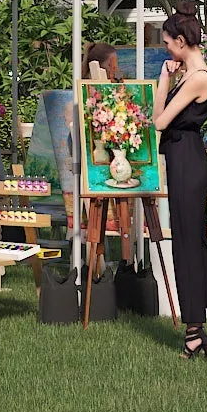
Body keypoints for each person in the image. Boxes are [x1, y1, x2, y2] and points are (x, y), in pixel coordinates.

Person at [154, 0, 207, 358]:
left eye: (168, 43)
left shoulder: (198, 78)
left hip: (187, 161)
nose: (167, 49)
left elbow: (158, 122)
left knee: (186, 243)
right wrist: (164, 77)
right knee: (194, 242)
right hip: (184, 159)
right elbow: (160, 115)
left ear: (181, 43)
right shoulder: (186, 76)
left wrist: (168, 80)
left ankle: (193, 330)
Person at [83, 42, 134, 266]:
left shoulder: (110, 90)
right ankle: (100, 262)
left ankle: (115, 260)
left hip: (110, 158)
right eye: (114, 65)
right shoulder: (90, 92)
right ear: (104, 66)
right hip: (96, 160)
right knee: (97, 213)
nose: (117, 69)